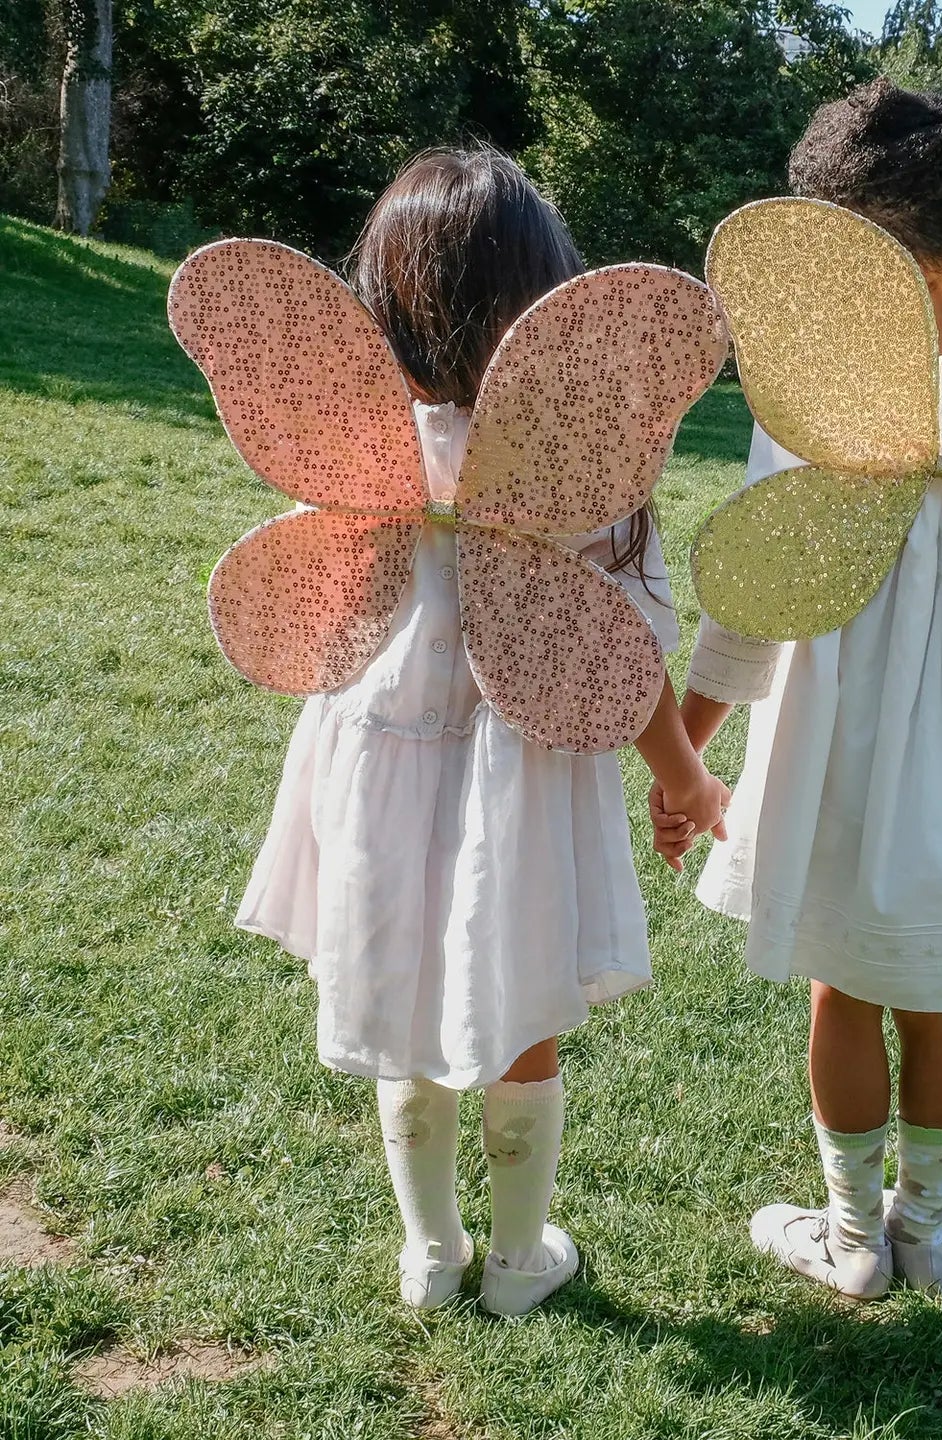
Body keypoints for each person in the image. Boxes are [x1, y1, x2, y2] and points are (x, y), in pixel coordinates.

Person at [235, 146, 730, 1315]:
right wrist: (689, 783)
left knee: (397, 993)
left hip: (377, 760)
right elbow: (622, 657)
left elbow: (322, 608)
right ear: (543, 299)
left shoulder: (355, 447)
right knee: (515, 1001)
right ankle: (516, 1262)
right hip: (524, 770)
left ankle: (429, 1252)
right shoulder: (582, 460)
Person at [653, 79, 942, 1301]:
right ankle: (922, 1236)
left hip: (832, 748)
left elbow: (754, 602)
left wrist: (686, 752)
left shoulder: (810, 411)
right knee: (936, 999)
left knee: (842, 985)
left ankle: (851, 1238)